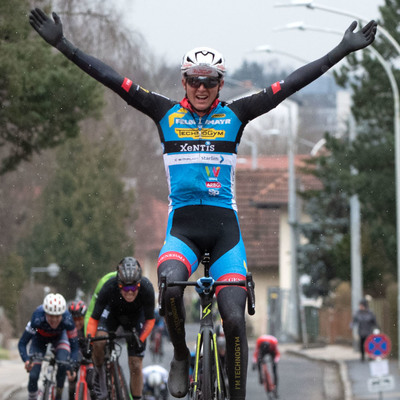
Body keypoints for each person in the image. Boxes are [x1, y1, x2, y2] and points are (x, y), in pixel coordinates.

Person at [28, 9, 377, 399]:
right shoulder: (164, 113)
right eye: (194, 81)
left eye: (209, 82)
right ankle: (181, 354)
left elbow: (290, 85)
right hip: (183, 229)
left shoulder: (236, 115)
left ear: (219, 83)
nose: (201, 88)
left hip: (225, 231)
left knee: (233, 319)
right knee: (172, 288)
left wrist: (341, 51)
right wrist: (63, 45)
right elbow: (112, 79)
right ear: (184, 81)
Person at [85, 257, 155, 400]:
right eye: (125, 287)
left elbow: (150, 320)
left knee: (135, 363)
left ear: (139, 284)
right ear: (118, 284)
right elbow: (94, 318)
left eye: (134, 287)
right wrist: (89, 341)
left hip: (136, 318)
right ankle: (99, 371)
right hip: (112, 314)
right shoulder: (109, 286)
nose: (130, 292)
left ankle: (136, 397)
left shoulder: (147, 288)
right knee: (99, 342)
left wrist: (140, 339)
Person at [18, 293, 79, 400]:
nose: (54, 320)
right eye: (51, 316)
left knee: (63, 362)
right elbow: (22, 343)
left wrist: (72, 366)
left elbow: (74, 347)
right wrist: (26, 360)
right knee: (33, 375)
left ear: (62, 314)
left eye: (57, 316)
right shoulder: (37, 316)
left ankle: (59, 393)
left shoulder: (68, 319)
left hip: (59, 338)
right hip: (39, 340)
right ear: (45, 313)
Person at [66, 300, 96, 400]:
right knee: (71, 378)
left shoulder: (89, 328)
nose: (77, 322)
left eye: (80, 319)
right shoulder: (68, 329)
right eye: (74, 319)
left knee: (91, 381)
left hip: (89, 356)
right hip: (75, 356)